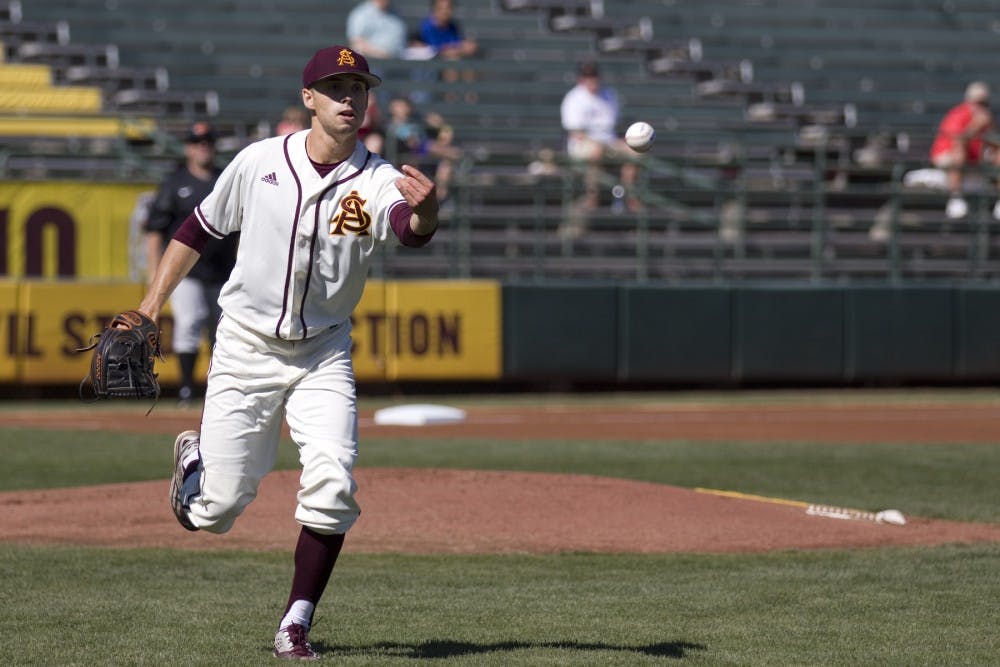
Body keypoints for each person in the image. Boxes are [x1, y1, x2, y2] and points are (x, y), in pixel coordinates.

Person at [138, 45, 439, 660]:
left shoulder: (377, 177)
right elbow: (197, 231)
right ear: (309, 99)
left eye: (359, 87)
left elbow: (408, 229)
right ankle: (192, 465)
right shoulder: (259, 162)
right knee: (215, 512)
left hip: (323, 354)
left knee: (332, 485)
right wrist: (149, 307)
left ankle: (294, 624)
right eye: (336, 87)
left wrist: (429, 213)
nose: (350, 98)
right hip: (245, 346)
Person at [144, 121, 238, 404]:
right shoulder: (175, 183)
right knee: (189, 323)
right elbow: (155, 230)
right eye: (198, 142)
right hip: (187, 272)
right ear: (188, 147)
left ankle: (218, 393)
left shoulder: (223, 180)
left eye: (208, 141)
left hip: (223, 272)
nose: (203, 147)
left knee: (222, 332)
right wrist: (155, 271)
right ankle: (186, 388)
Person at [560, 61, 641, 214]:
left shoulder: (609, 95)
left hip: (608, 142)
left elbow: (614, 126)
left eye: (594, 76)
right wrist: (599, 143)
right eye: (587, 76)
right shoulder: (574, 98)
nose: (591, 80)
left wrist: (623, 141)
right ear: (581, 79)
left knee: (635, 151)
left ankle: (631, 198)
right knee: (596, 150)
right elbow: (575, 133)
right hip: (582, 144)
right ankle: (593, 199)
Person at [929, 81, 1000, 220]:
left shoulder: (987, 118)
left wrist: (990, 129)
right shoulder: (958, 114)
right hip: (947, 156)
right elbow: (958, 142)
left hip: (974, 157)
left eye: (984, 103)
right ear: (969, 101)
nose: (980, 107)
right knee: (959, 152)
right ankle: (956, 197)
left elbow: (994, 145)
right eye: (977, 102)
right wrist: (975, 126)